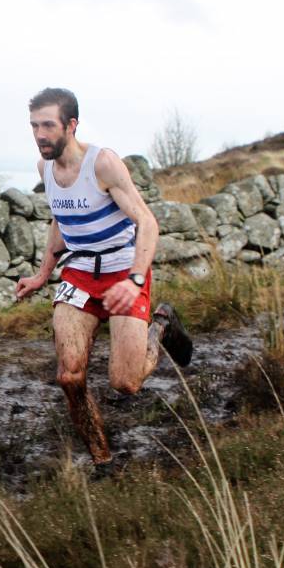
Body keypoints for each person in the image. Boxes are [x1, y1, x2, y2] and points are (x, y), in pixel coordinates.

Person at [14, 87, 193, 467]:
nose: (40, 134)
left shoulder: (102, 164)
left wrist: (136, 280)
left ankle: (161, 323)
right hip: (79, 273)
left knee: (126, 383)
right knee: (70, 377)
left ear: (71, 125)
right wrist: (43, 274)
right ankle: (103, 462)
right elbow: (59, 221)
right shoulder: (44, 167)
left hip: (122, 271)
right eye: (34, 126)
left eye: (48, 125)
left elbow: (147, 221)